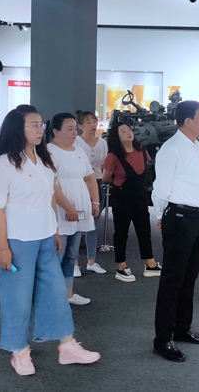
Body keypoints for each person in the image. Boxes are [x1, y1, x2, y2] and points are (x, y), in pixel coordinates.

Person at [0, 104, 99, 376]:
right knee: (17, 298)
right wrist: (3, 247)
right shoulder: (3, 162)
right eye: (34, 125)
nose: (40, 130)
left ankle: (67, 344)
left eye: (41, 125)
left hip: (44, 236)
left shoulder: (43, 158)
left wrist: (55, 230)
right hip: (15, 240)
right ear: (18, 128)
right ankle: (18, 350)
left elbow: (49, 196)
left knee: (56, 292)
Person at [152, 100, 199, 362]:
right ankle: (163, 340)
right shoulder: (171, 148)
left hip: (198, 218)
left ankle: (182, 328)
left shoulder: (195, 146)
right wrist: (161, 214)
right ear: (188, 121)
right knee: (172, 281)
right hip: (180, 217)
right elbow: (161, 187)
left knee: (189, 278)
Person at [48, 113, 100, 306]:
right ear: (56, 131)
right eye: (69, 129)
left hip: (80, 208)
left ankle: (68, 293)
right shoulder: (50, 151)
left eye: (74, 128)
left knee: (71, 253)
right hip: (61, 209)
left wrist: (95, 202)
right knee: (57, 254)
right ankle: (52, 296)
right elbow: (52, 184)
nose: (74, 132)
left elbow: (90, 177)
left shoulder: (78, 150)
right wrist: (68, 207)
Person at [103, 122, 161, 282]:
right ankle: (121, 267)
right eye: (123, 131)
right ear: (117, 137)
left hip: (140, 197)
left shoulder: (142, 151)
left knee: (144, 230)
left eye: (128, 129)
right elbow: (106, 178)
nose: (128, 132)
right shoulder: (113, 156)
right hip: (121, 198)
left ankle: (150, 264)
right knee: (121, 232)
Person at [73, 110, 109, 276]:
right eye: (88, 122)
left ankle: (91, 261)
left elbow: (103, 164)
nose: (93, 125)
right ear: (80, 126)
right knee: (77, 223)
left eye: (94, 121)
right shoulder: (76, 142)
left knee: (94, 222)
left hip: (98, 183)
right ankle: (74, 263)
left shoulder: (102, 142)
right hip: (80, 184)